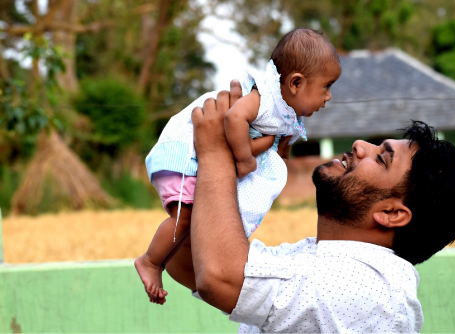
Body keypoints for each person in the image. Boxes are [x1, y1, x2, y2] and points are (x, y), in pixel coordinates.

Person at [164, 81, 455, 333]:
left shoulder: (364, 286)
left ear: (392, 214)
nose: (360, 145)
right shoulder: (315, 258)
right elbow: (187, 263)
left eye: (382, 158)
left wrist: (214, 150)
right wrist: (244, 170)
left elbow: (218, 276)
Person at [135, 28, 342, 304]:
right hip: (186, 156)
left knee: (193, 227)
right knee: (184, 219)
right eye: (326, 87)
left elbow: (278, 144)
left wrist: (277, 156)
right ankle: (150, 261)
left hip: (204, 160)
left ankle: (167, 259)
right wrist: (245, 159)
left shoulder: (286, 112)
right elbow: (233, 119)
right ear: (295, 83)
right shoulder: (265, 98)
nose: (329, 96)